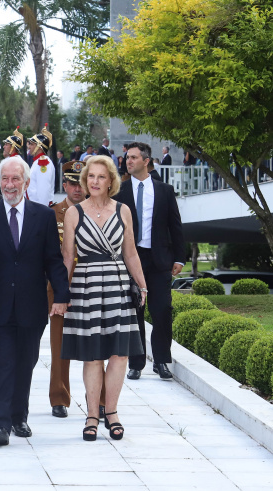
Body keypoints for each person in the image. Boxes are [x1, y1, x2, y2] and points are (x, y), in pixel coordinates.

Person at [0, 156, 70, 446]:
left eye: (16, 179)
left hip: (32, 305)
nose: (10, 184)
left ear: (26, 183)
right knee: (4, 362)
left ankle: (19, 417)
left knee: (25, 362)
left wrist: (62, 295)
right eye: (5, 179)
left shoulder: (43, 216)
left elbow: (53, 260)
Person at [55, 156, 147, 441]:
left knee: (120, 354)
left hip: (118, 283)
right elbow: (68, 258)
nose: (94, 181)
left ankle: (113, 412)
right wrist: (61, 294)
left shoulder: (123, 211)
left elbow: (130, 252)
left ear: (111, 181)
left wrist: (142, 286)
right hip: (85, 286)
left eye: (101, 177)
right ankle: (92, 415)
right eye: (90, 176)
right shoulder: (74, 213)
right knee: (93, 355)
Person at [116, 142, 185, 381]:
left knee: (162, 310)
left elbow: (175, 226)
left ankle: (162, 361)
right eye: (127, 157)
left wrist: (180, 258)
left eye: (134, 157)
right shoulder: (120, 191)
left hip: (159, 260)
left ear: (146, 161)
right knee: (135, 311)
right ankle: (136, 363)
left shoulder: (164, 190)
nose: (129, 161)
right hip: (131, 259)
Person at [47, 161, 106, 418]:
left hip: (92, 284)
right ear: (64, 185)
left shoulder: (98, 210)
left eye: (80, 183)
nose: (77, 189)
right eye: (72, 183)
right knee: (59, 345)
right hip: (60, 286)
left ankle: (100, 399)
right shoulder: (52, 214)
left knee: (97, 343)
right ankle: (59, 397)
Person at [27, 126, 56, 206]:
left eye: (32, 144)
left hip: (38, 207)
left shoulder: (43, 162)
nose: (29, 147)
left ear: (39, 147)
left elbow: (43, 191)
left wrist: (41, 211)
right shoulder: (37, 161)